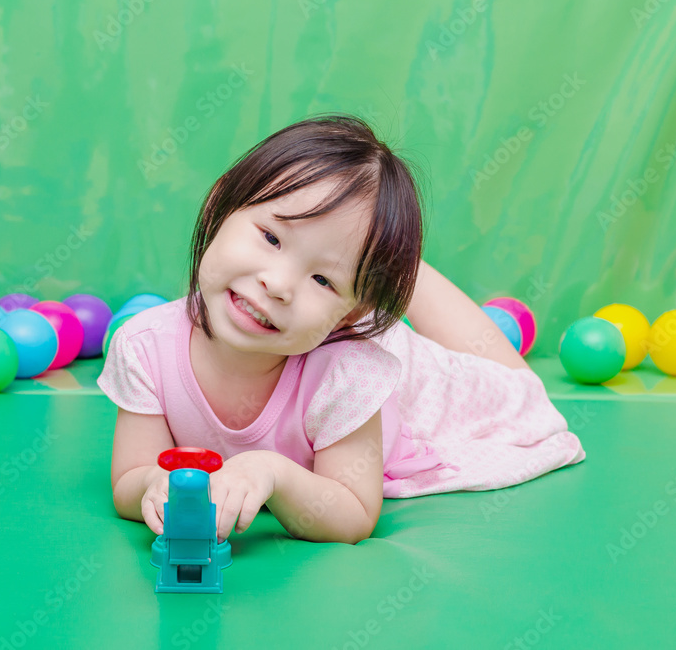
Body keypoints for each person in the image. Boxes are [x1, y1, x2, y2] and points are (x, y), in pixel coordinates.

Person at [98, 114, 585, 545]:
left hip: (403, 379)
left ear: (352, 316)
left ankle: (398, 272)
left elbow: (353, 512)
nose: (278, 284)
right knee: (344, 265)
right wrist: (152, 486)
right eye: (271, 236)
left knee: (518, 388)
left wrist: (274, 473)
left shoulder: (350, 375)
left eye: (321, 278)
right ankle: (363, 270)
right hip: (333, 321)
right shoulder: (144, 346)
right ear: (218, 206)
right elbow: (129, 480)